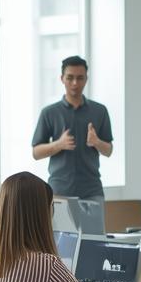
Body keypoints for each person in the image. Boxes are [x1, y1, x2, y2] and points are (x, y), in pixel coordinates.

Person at [31, 55, 113, 202]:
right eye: (70, 78)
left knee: (95, 226)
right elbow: (36, 153)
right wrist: (58, 144)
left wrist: (97, 142)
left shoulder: (100, 111)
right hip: (59, 191)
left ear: (86, 79)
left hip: (92, 190)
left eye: (80, 78)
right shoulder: (49, 112)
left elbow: (109, 151)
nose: (75, 83)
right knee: (60, 227)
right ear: (62, 78)